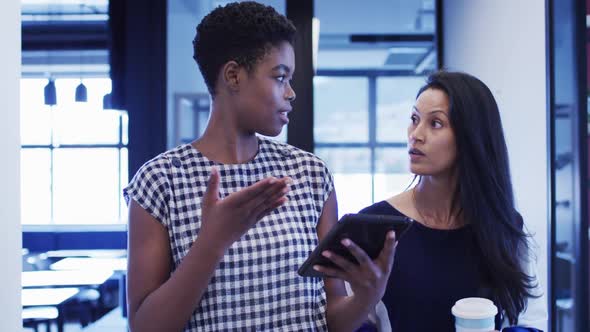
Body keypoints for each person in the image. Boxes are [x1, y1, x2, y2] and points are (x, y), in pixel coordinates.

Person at [123, 2, 395, 331]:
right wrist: (211, 243)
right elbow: (144, 327)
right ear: (234, 76)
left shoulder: (309, 173)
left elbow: (332, 319)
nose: (291, 93)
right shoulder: (160, 181)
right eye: (280, 77)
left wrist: (367, 295)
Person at [321, 71, 547, 331]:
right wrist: (364, 298)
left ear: (470, 137)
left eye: (435, 123)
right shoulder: (377, 226)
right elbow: (352, 323)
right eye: (414, 119)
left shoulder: (503, 225)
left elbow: (531, 320)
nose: (416, 134)